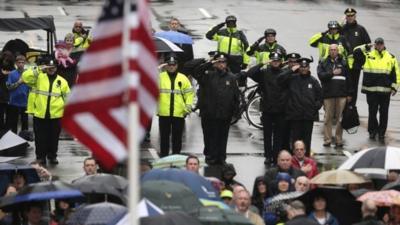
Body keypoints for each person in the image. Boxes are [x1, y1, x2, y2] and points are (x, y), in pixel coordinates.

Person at [193, 53, 240, 165]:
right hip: (209, 113)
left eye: (223, 62)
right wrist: (209, 62)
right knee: (209, 135)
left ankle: (221, 157)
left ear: (226, 64)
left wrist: (235, 111)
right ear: (215, 63)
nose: (221, 64)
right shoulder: (208, 75)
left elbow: (235, 96)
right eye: (218, 62)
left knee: (222, 136)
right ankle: (210, 155)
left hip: (225, 114)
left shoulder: (231, 77)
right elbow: (195, 71)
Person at [22, 56, 70, 165]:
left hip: (56, 115)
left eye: (53, 67)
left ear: (56, 68)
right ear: (45, 67)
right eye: (49, 67)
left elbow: (68, 98)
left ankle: (52, 156)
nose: (51, 69)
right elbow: (25, 77)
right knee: (40, 138)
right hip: (40, 114)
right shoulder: (38, 78)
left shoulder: (62, 81)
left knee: (53, 138)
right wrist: (39, 69)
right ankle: (40, 157)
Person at [244, 52, 288, 166]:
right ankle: (268, 156)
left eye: (277, 61)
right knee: (267, 135)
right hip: (267, 109)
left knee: (278, 136)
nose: (275, 62)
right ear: (270, 61)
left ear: (281, 62)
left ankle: (276, 156)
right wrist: (262, 63)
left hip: (280, 109)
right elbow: (250, 73)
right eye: (273, 60)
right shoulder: (264, 73)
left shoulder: (284, 73)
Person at [353, 38, 400, 142]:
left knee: (384, 113)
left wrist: (394, 88)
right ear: (374, 45)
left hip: (385, 91)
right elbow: (355, 51)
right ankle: (372, 131)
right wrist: (366, 46)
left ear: (384, 45)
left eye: (380, 44)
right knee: (372, 112)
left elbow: (396, 73)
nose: (379, 46)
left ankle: (382, 132)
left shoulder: (391, 57)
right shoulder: (368, 55)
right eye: (377, 44)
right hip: (371, 90)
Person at [278, 58, 322, 156]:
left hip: (308, 116)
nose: (303, 69)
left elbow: (320, 97)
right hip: (295, 115)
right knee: (295, 140)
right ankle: (295, 160)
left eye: (305, 67)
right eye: (301, 67)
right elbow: (280, 79)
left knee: (307, 140)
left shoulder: (313, 81)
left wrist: (315, 107)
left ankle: (306, 159)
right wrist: (292, 69)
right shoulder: (292, 79)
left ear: (309, 68)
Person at [157, 55, 194, 157]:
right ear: (166, 65)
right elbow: (148, 81)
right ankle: (164, 156)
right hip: (164, 113)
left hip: (179, 113)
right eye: (169, 64)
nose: (171, 67)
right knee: (164, 137)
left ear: (177, 66)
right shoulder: (160, 77)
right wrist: (157, 69)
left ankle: (176, 156)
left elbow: (189, 94)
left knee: (177, 138)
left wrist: (187, 107)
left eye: (174, 65)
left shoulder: (183, 78)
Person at [317, 44, 353, 148]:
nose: (333, 51)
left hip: (341, 95)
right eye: (331, 50)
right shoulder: (323, 63)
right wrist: (332, 73)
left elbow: (349, 79)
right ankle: (327, 140)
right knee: (327, 118)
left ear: (338, 51)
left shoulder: (344, 63)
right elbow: (321, 76)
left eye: (335, 50)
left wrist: (350, 93)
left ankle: (338, 140)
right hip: (328, 95)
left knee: (340, 119)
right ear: (328, 51)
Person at [205, 15, 249, 86]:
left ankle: (238, 93)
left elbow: (246, 48)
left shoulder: (240, 34)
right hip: (222, 60)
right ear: (226, 23)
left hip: (235, 61)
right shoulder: (221, 32)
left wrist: (245, 62)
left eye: (233, 22)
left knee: (235, 79)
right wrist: (218, 26)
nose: (231, 24)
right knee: (220, 79)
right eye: (229, 22)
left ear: (235, 23)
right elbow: (209, 36)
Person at [341, 8, 371, 106]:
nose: (350, 17)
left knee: (353, 87)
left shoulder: (361, 29)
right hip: (343, 64)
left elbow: (368, 46)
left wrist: (362, 60)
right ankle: (342, 109)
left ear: (355, 16)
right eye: (348, 16)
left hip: (356, 65)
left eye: (351, 15)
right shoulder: (342, 29)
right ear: (345, 16)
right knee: (342, 86)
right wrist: (340, 23)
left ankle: (351, 109)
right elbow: (332, 36)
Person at [6, 55, 29, 134]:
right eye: (19, 62)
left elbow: (31, 87)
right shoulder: (12, 74)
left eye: (22, 62)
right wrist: (18, 83)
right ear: (16, 63)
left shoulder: (28, 74)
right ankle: (14, 142)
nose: (21, 64)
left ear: (25, 63)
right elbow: (8, 87)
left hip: (25, 103)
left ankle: (25, 142)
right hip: (14, 102)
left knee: (25, 124)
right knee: (14, 124)